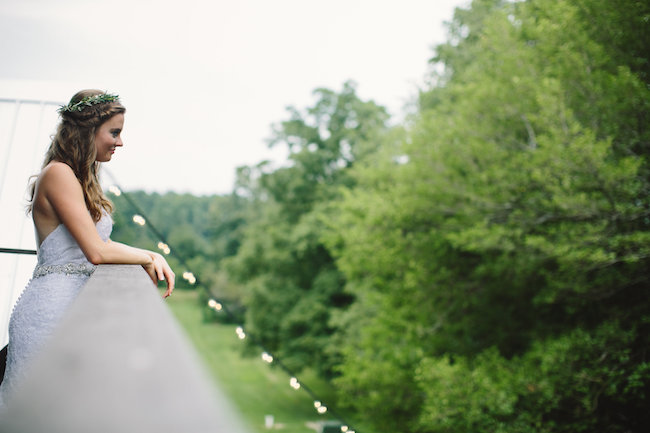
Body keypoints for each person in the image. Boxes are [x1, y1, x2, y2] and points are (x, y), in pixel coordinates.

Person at [0, 90, 175, 406]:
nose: (120, 142)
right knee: (38, 409)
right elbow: (97, 252)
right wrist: (150, 256)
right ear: (88, 130)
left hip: (75, 306)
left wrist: (147, 255)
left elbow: (99, 245)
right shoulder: (58, 173)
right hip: (50, 311)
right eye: (115, 132)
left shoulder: (84, 175)